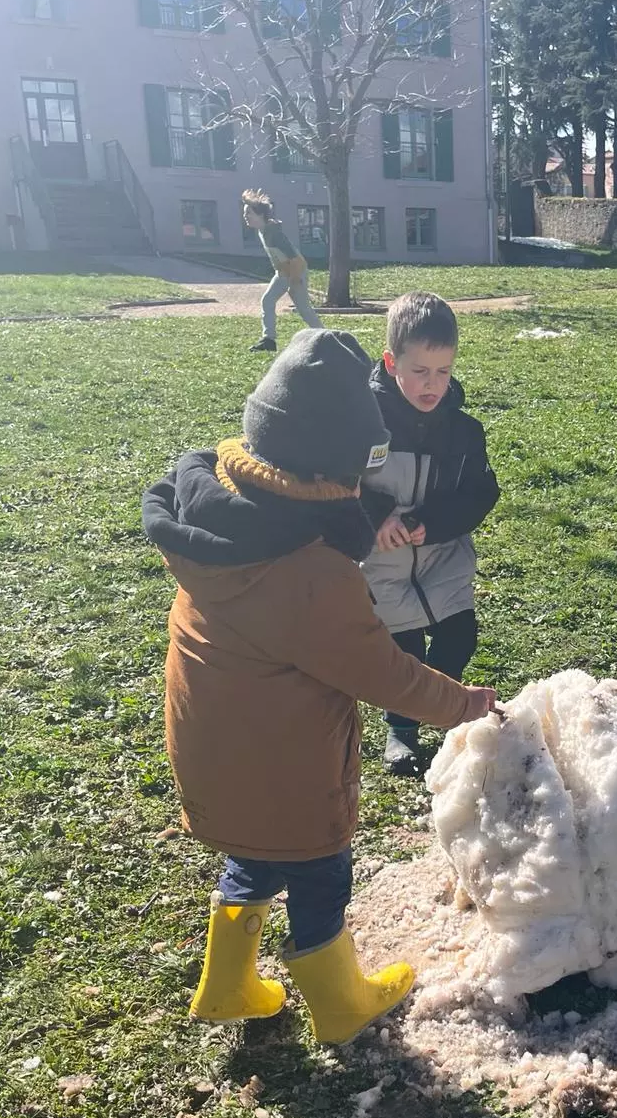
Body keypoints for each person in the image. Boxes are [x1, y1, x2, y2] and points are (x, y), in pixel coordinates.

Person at [142, 330, 496, 1044]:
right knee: (319, 868)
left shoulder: (222, 510)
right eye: (353, 478)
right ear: (324, 471)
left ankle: (228, 983)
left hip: (214, 737)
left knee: (252, 850)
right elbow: (381, 670)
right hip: (289, 754)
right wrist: (464, 704)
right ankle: (339, 1004)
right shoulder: (307, 572)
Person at [359, 292, 499, 775]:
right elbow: (337, 484)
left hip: (442, 555)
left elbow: (481, 494)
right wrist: (378, 517)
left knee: (460, 634)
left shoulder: (464, 432)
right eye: (420, 371)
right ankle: (402, 728)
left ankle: (440, 706)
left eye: (443, 371)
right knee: (406, 652)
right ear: (390, 361)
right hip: (383, 562)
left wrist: (431, 525)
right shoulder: (361, 423)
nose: (432, 385)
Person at [241, 189, 323, 353]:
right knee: (268, 300)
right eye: (245, 213)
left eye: (248, 213)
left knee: (303, 308)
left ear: (260, 215)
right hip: (283, 273)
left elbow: (295, 259)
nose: (245, 216)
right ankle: (269, 340)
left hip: (295, 271)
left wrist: (294, 280)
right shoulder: (262, 231)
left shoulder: (275, 234)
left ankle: (325, 337)